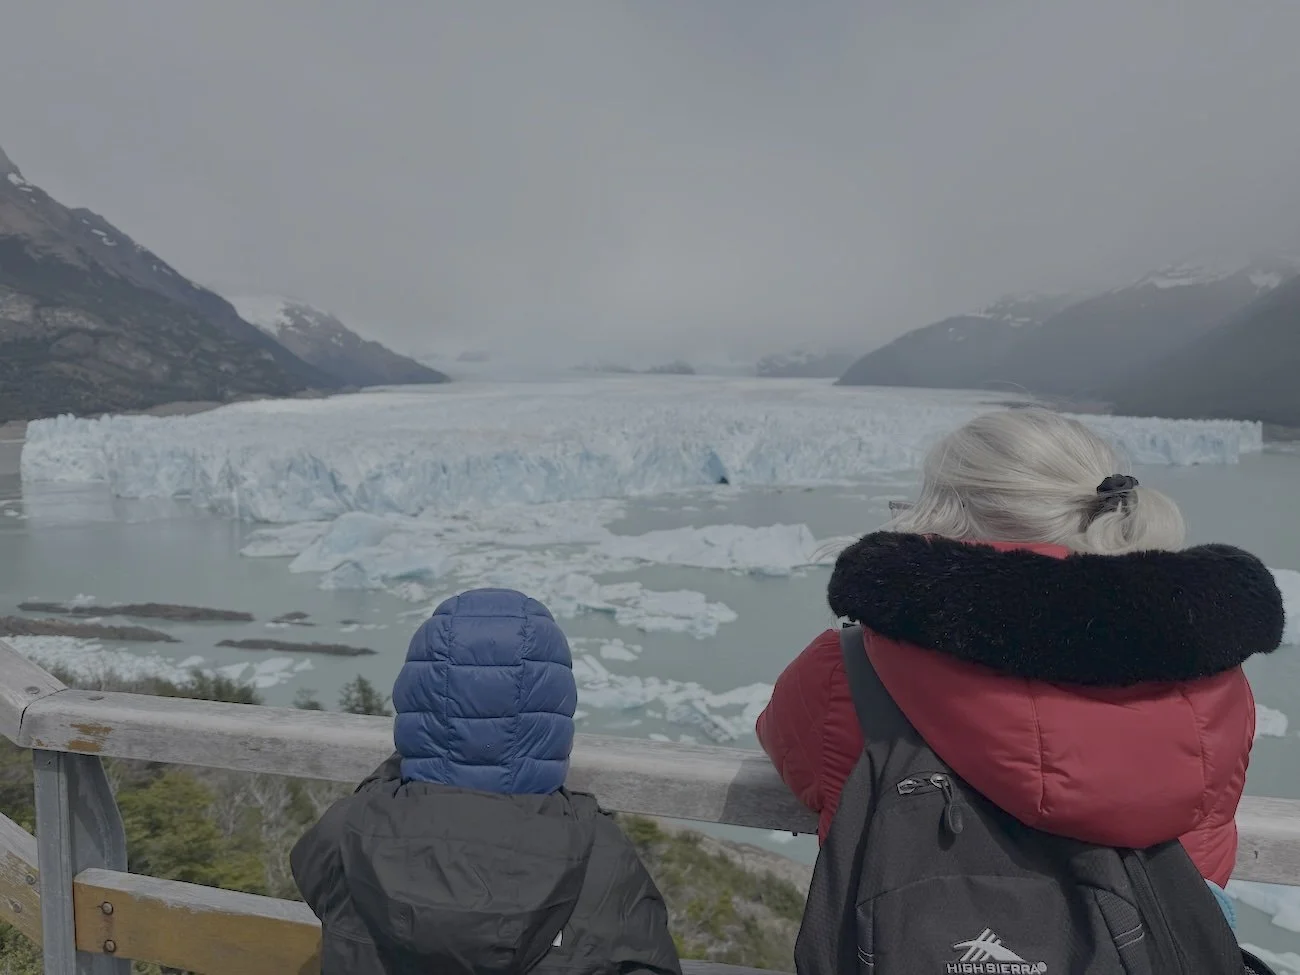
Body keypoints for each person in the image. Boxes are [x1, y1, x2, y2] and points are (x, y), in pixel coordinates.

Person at [756, 409, 1285, 919]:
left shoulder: (848, 667)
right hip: (1160, 946)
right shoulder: (1210, 677)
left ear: (944, 516)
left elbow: (796, 754)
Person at [291, 587, 682, 975]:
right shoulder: (599, 853)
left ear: (416, 699)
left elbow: (311, 872)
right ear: (554, 712)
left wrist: (397, 770)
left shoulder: (350, 828)